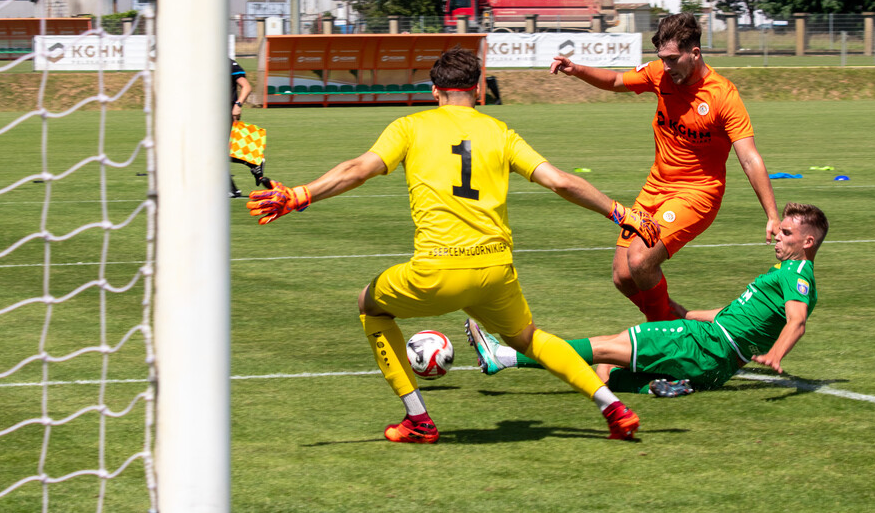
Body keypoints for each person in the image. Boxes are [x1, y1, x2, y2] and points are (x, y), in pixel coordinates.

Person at [246, 48, 662, 443]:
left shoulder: (411, 126)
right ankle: (612, 407)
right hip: (495, 271)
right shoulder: (500, 131)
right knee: (529, 339)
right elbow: (561, 181)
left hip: (437, 270)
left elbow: (358, 169)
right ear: (478, 90)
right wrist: (621, 213)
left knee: (369, 306)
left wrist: (301, 194)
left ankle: (418, 420)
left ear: (434, 90)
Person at [549, 12, 778, 323]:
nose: (666, 67)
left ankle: (663, 342)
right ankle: (681, 323)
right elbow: (617, 80)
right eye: (662, 59)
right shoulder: (659, 74)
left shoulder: (723, 95)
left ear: (694, 53)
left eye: (672, 59)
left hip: (697, 194)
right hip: (654, 188)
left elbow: (749, 158)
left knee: (641, 259)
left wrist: (772, 216)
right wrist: (576, 70)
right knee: (622, 276)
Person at [466, 202, 828, 397]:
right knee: (608, 369)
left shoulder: (797, 276)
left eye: (785, 232)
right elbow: (733, 313)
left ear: (807, 243)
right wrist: (687, 312)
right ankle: (652, 385)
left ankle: (504, 356)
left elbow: (797, 321)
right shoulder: (785, 274)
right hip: (717, 358)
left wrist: (776, 354)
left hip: (708, 345)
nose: (776, 236)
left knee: (604, 348)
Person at [230, 58, 267, 198]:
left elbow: (246, 87)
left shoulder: (229, 64)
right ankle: (253, 163)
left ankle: (232, 189)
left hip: (225, 112)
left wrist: (238, 105)